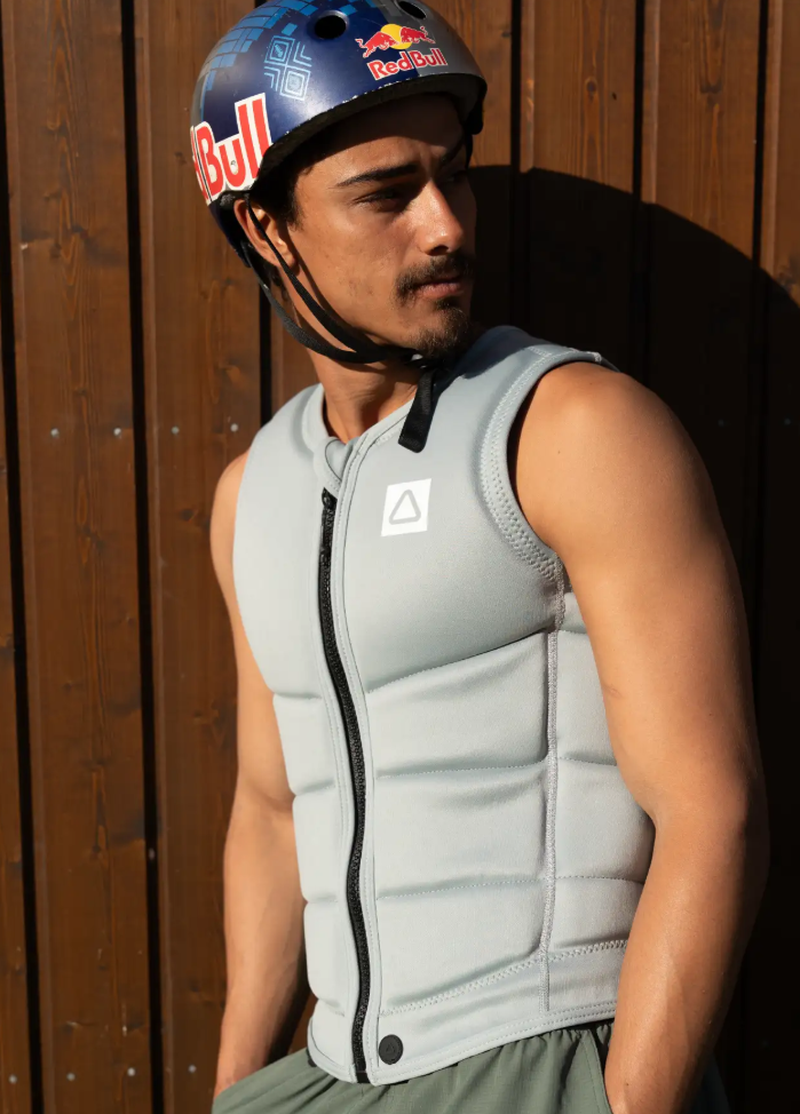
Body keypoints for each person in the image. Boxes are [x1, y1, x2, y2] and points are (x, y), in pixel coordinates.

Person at [197, 3, 769, 1112]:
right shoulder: (251, 495)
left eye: (451, 177)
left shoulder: (574, 428)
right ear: (265, 226)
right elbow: (271, 811)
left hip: (538, 1059)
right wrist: (235, 1088)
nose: (447, 225)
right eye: (386, 193)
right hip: (326, 1078)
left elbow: (714, 809)